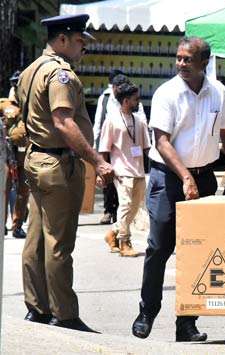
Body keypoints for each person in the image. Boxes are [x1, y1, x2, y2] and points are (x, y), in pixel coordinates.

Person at [131, 36, 225, 342]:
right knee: (158, 247)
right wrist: (185, 178)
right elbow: (161, 141)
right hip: (168, 178)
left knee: (198, 250)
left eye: (187, 59)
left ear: (204, 62)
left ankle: (187, 322)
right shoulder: (168, 93)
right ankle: (147, 311)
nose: (180, 64)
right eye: (178, 58)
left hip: (204, 178)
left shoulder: (218, 92)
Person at [16, 14, 113, 332]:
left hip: (35, 159)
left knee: (36, 237)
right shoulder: (60, 74)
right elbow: (63, 121)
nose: (83, 48)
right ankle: (65, 313)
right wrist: (97, 161)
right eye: (79, 41)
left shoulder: (31, 70)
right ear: (62, 40)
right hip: (55, 164)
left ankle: (38, 306)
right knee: (58, 242)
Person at [99, 82, 150, 257]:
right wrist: (103, 171)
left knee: (134, 208)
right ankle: (124, 242)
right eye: (136, 99)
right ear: (126, 100)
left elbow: (146, 148)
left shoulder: (140, 121)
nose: (139, 102)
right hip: (121, 171)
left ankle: (112, 232)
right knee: (126, 205)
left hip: (139, 170)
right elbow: (104, 149)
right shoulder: (112, 120)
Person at [93, 69, 125, 225]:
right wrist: (95, 146)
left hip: (122, 144)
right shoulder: (104, 98)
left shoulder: (126, 95)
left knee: (120, 176)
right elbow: (98, 122)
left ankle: (119, 210)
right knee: (106, 177)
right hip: (106, 143)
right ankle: (107, 211)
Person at [2, 74, 30, 239]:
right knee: (3, 191)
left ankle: (17, 225)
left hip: (25, 155)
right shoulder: (4, 105)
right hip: (7, 154)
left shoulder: (31, 105)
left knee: (23, 191)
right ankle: (2, 224)